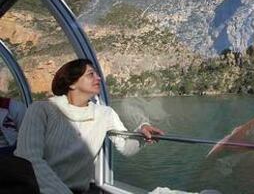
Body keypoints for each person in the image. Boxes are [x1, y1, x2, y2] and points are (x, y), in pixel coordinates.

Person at [14, 58, 164, 194]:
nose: (99, 78)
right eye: (91, 74)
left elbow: (125, 146)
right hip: (36, 189)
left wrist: (141, 133)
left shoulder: (105, 113)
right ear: (71, 83)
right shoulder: (41, 109)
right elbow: (28, 157)